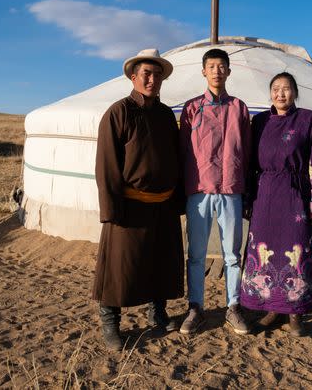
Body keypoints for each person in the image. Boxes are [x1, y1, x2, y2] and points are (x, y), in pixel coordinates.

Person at [92, 49, 185, 350]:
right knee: (118, 268)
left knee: (160, 262)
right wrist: (110, 208)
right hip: (128, 206)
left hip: (163, 204)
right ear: (133, 77)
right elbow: (106, 165)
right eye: (146, 73)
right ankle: (110, 324)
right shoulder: (118, 112)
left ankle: (157, 314)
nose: (152, 79)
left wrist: (178, 200)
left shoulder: (166, 115)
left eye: (157, 74)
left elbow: (177, 159)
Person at [240, 72, 312, 337]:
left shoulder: (308, 120)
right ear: (270, 93)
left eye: (287, 89)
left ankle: (295, 314)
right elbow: (248, 164)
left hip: (295, 196)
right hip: (265, 196)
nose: (281, 93)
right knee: (267, 254)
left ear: (295, 93)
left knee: (297, 250)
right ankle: (272, 309)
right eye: (276, 89)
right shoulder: (260, 121)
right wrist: (247, 198)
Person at [179, 48, 251, 335]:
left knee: (232, 254)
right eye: (212, 66)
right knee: (196, 254)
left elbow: (246, 151)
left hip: (231, 188)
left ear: (229, 72)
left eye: (222, 66)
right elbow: (182, 150)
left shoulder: (239, 107)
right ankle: (195, 307)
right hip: (199, 189)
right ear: (203, 71)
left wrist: (245, 188)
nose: (217, 71)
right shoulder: (191, 108)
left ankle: (233, 307)